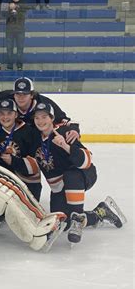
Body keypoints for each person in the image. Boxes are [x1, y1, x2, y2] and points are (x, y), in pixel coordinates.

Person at [31, 102, 125, 243]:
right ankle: (100, 213)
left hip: (84, 175)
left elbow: (87, 160)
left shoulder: (64, 133)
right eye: (37, 118)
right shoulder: (36, 140)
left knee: (71, 175)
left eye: (44, 117)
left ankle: (77, 221)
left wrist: (65, 145)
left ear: (52, 118)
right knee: (63, 222)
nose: (40, 121)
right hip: (62, 185)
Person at [5, 0, 26, 70]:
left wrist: (16, 7)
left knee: (20, 48)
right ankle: (9, 65)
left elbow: (24, 13)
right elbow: (3, 14)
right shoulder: (7, 2)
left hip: (20, 29)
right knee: (9, 48)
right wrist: (9, 9)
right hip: (9, 29)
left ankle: (19, 65)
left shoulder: (23, 3)